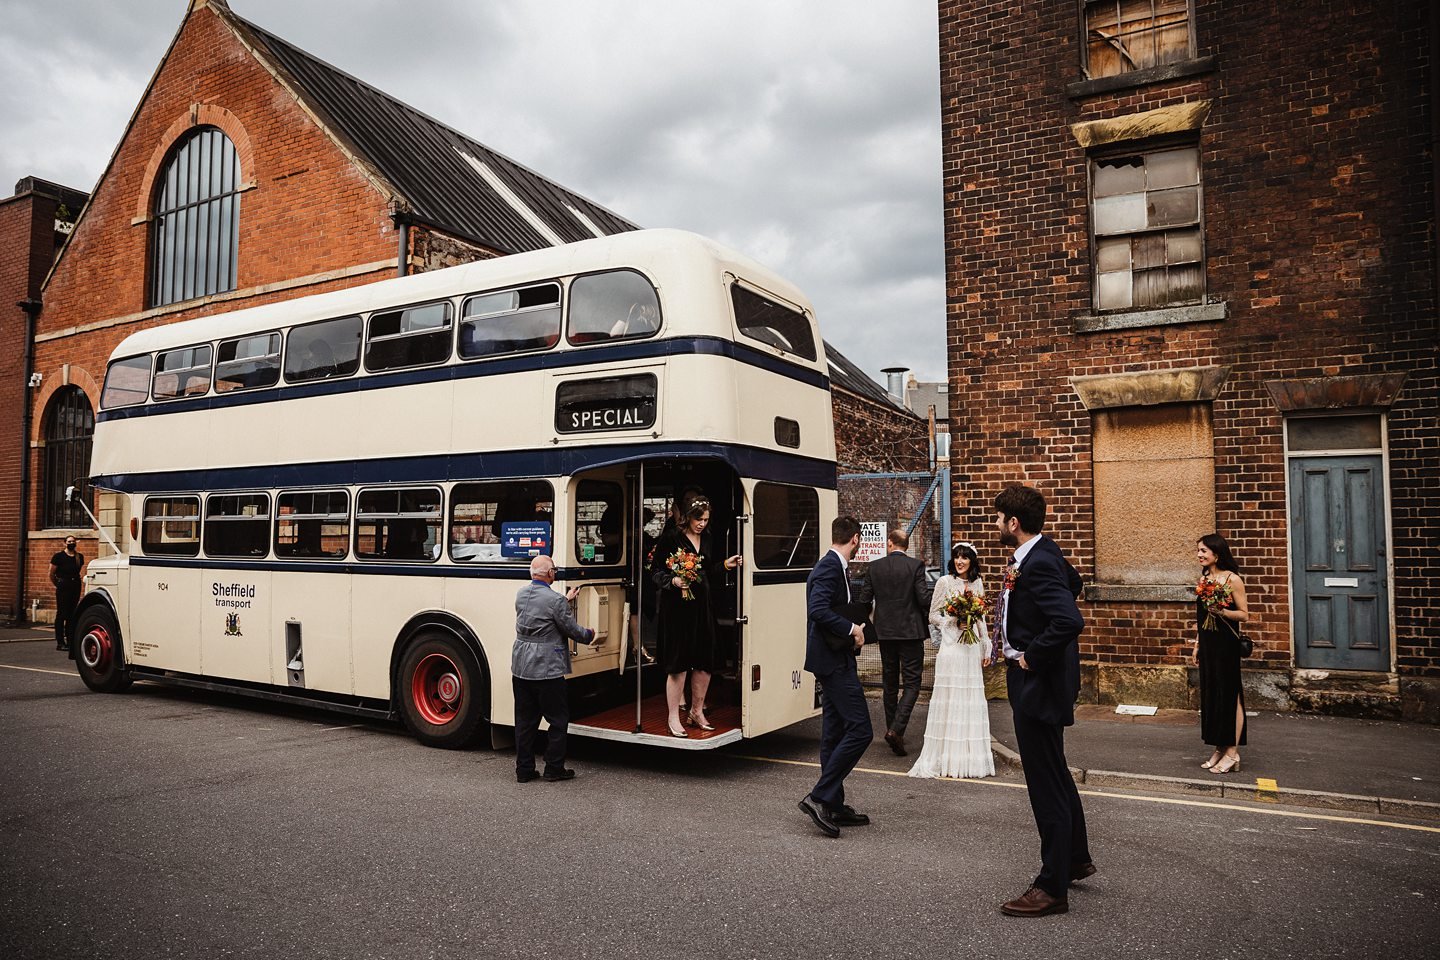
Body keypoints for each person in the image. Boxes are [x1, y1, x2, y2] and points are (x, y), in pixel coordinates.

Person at [990, 484, 1093, 918]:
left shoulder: (1037, 563)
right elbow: (1075, 582)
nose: (996, 524)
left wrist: (1032, 654)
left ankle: (1051, 887)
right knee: (1055, 772)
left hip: (1039, 686)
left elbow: (1069, 619)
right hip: (1042, 685)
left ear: (1014, 523)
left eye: (998, 518)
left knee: (1045, 783)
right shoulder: (1042, 554)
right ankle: (1074, 859)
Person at [797, 516, 873, 838]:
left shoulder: (834, 566)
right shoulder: (830, 567)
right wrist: (852, 628)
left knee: (833, 733)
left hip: (833, 659)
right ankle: (819, 797)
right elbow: (817, 609)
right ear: (855, 539)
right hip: (833, 663)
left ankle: (834, 805)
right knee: (861, 730)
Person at [649, 497, 742, 737]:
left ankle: (697, 711)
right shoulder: (671, 538)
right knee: (678, 665)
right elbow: (655, 570)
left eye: (705, 520)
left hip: (702, 607)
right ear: (688, 517)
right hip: (676, 609)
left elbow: (706, 570)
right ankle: (673, 716)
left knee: (704, 661)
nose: (701, 524)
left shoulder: (707, 539)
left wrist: (725, 565)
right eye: (698, 519)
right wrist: (673, 581)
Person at [908, 541, 994, 780]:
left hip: (971, 647)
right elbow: (933, 614)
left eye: (964, 558)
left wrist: (986, 647)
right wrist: (952, 622)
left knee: (969, 699)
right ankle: (945, 756)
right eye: (957, 557)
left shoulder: (977, 583)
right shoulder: (945, 582)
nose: (960, 561)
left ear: (972, 562)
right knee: (950, 698)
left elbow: (981, 620)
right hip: (951, 647)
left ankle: (968, 758)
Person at [511, 555, 598, 783]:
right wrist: (589, 634)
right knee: (558, 719)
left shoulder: (521, 594)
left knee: (525, 721)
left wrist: (564, 600)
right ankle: (554, 768)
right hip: (546, 668)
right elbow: (570, 629)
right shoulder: (555, 601)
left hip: (521, 665)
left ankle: (524, 770)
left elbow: (542, 612)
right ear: (550, 573)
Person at [866, 527, 931, 756]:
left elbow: (865, 600)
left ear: (890, 543)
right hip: (911, 633)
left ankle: (892, 729)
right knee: (912, 683)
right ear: (906, 545)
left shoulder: (875, 567)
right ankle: (896, 729)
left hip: (885, 633)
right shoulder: (915, 566)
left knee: (889, 682)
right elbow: (923, 598)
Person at [1194, 533, 1250, 775]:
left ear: (1217, 553)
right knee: (1213, 697)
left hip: (1226, 645)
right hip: (1208, 644)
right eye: (1198, 551)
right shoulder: (1205, 578)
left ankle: (1232, 752)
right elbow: (1202, 618)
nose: (1199, 555)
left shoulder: (1233, 580)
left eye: (1203, 551)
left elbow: (1244, 614)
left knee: (1230, 696)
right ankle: (1219, 747)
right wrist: (1197, 644)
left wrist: (1222, 612)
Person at [49, 536, 85, 653]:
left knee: (72, 614)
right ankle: (60, 642)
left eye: (73, 542)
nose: (71, 543)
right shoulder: (58, 557)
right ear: (65, 543)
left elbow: (79, 570)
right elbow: (51, 573)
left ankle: (70, 641)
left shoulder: (79, 557)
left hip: (75, 585)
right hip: (63, 586)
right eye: (69, 541)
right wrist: (58, 584)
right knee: (61, 614)